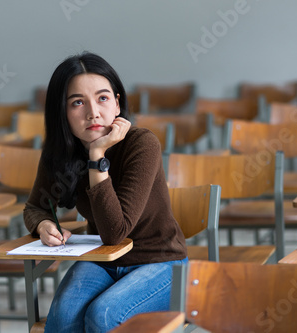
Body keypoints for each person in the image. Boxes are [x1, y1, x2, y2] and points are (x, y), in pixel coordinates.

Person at [23, 52, 188, 333]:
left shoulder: (142, 144)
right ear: (62, 112)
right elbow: (35, 207)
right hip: (103, 259)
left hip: (160, 261)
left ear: (117, 103)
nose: (93, 113)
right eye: (78, 102)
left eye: (102, 98)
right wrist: (44, 224)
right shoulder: (62, 153)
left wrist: (97, 156)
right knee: (63, 317)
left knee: (103, 316)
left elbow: (115, 232)